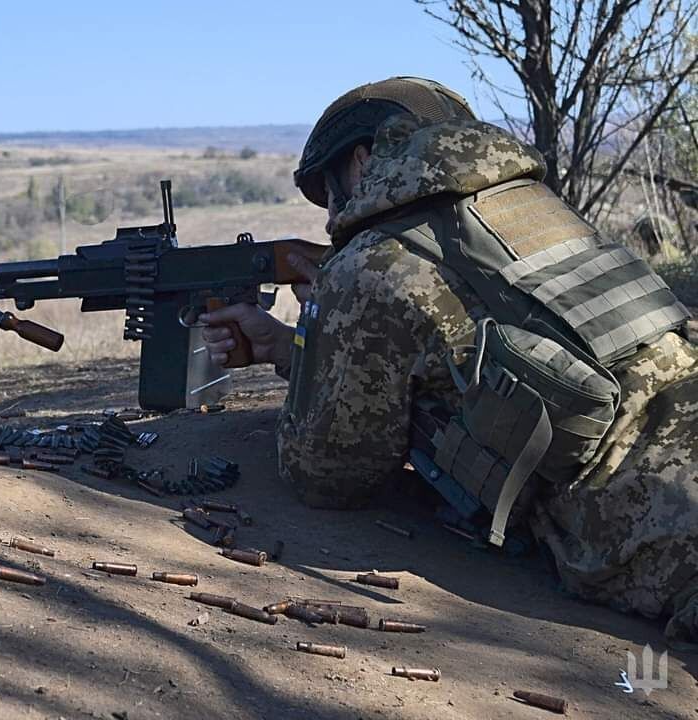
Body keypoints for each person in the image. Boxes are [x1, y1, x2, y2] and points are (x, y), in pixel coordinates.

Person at [201, 77, 698, 646]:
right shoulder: (537, 214)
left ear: (362, 161)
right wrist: (291, 347)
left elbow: (326, 472)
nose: (328, 219)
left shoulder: (375, 264)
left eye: (329, 193)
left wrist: (329, 326)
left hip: (664, 532)